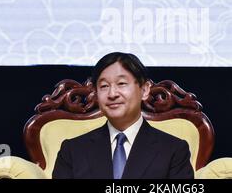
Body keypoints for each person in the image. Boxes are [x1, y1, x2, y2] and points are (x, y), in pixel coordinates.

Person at [52, 52, 194, 179]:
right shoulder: (72, 150)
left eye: (121, 83)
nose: (112, 94)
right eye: (104, 86)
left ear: (144, 90)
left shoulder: (173, 150)